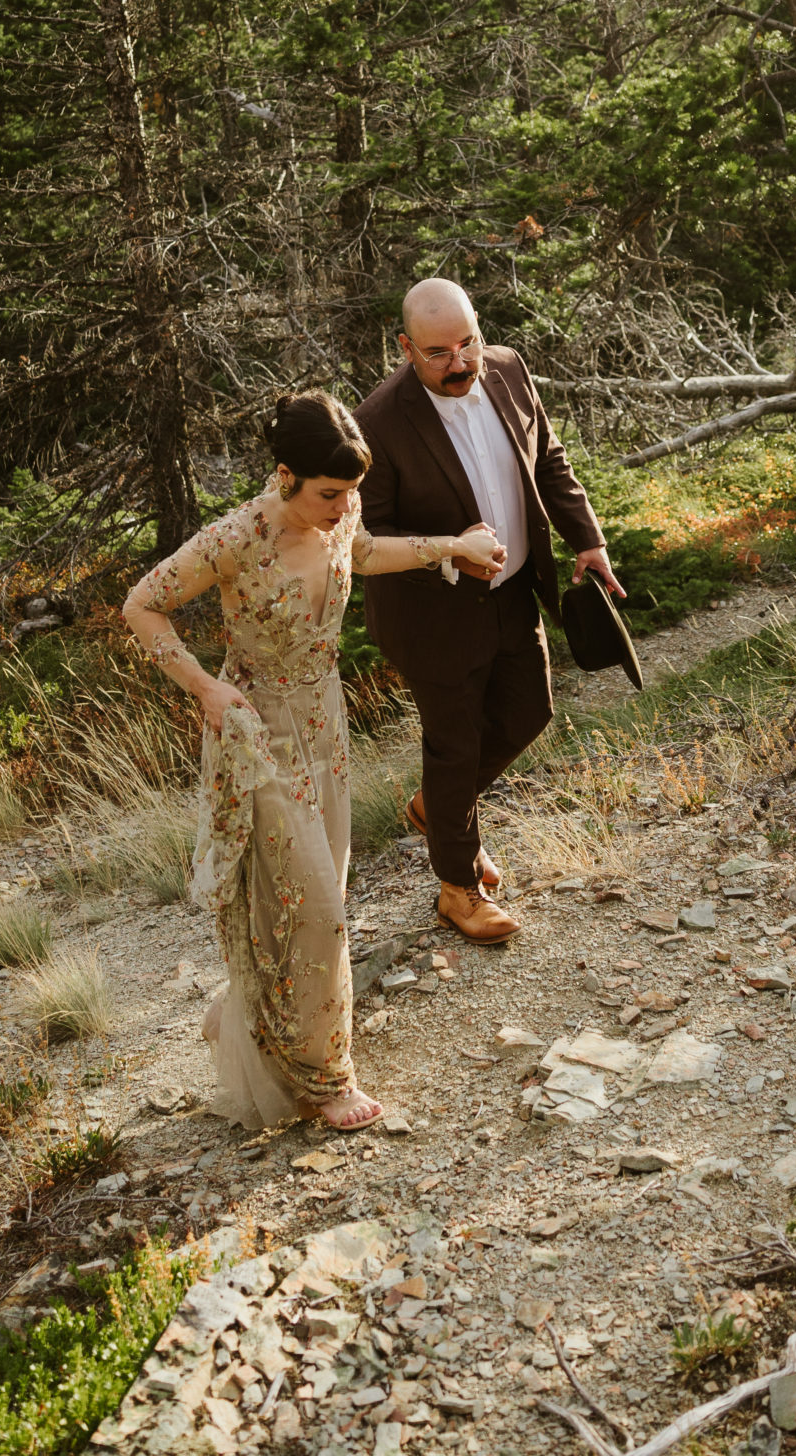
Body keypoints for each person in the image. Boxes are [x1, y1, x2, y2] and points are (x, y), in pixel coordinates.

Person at [122, 389, 504, 1131]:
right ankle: (327, 1078)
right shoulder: (236, 537)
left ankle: (242, 1019)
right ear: (285, 474)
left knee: (310, 895)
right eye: (329, 493)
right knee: (320, 914)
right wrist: (202, 688)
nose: (341, 507)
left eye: (350, 493)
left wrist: (450, 545)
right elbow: (141, 603)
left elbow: (360, 553)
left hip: (323, 724)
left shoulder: (343, 512)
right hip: (256, 731)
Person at [354, 279, 624, 944]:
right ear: (405, 349)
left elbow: (549, 461)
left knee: (530, 711)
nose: (460, 362)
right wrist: (446, 555)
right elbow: (366, 541)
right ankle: (457, 888)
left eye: (467, 342)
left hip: (513, 592)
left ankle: (434, 809)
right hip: (431, 613)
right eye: (438, 352)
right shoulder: (378, 423)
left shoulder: (508, 368)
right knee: (454, 748)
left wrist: (586, 542)